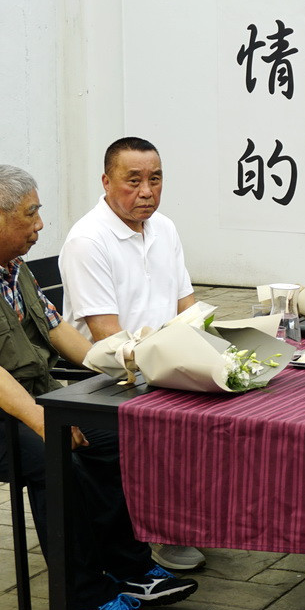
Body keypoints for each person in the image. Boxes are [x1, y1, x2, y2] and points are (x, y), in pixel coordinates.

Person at [0, 165, 197, 610]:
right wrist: (47, 421)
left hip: (23, 401)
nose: (41, 224)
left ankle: (129, 567)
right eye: (32, 213)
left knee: (120, 431)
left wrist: (122, 363)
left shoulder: (9, 266)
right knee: (57, 458)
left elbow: (57, 328)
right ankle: (86, 599)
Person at [59, 136, 204, 572]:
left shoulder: (166, 228)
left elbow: (188, 307)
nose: (146, 192)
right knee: (182, 414)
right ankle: (157, 529)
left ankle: (188, 518)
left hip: (165, 362)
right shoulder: (88, 240)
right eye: (133, 181)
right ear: (106, 182)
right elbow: (107, 337)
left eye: (155, 179)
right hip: (109, 377)